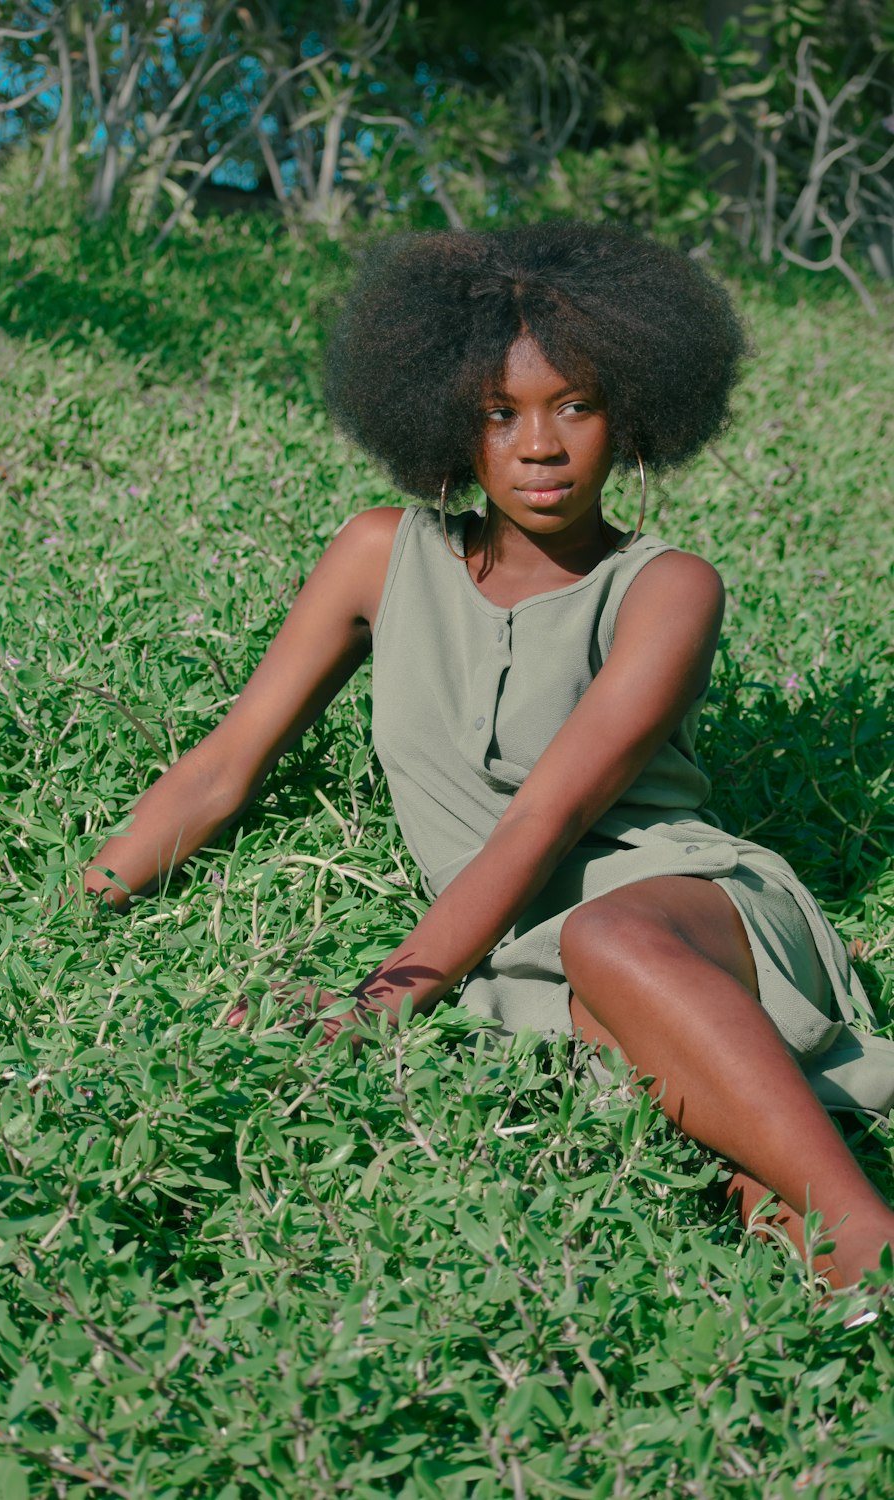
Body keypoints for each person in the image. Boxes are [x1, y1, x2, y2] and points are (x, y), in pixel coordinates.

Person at [81, 222, 894, 1298]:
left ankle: (865, 1238)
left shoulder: (666, 587)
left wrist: (379, 1003)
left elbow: (544, 819)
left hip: (683, 906)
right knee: (704, 1122)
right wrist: (79, 909)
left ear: (633, 411)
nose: (539, 447)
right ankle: (807, 1236)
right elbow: (223, 766)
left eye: (575, 405)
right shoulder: (381, 555)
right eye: (498, 414)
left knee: (609, 937)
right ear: (444, 421)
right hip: (520, 948)